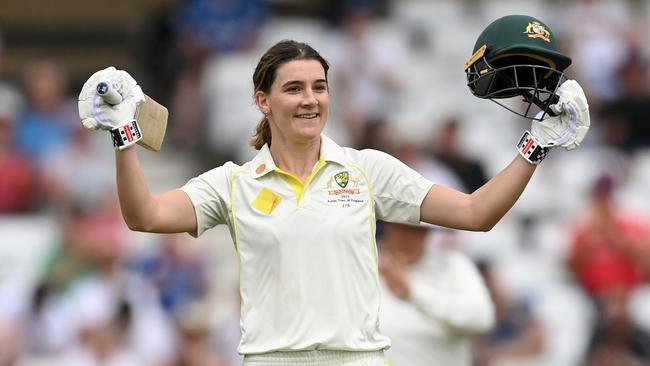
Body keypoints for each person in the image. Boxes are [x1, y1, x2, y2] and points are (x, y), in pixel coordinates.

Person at [77, 29, 589, 366]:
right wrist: (124, 137)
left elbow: (476, 214)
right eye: (294, 88)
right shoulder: (232, 183)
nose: (310, 100)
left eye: (319, 87)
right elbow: (144, 216)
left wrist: (535, 145)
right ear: (263, 100)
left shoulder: (367, 169)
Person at [379, 226, 494, 366]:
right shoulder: (362, 267)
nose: (410, 236)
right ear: (386, 227)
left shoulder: (454, 265)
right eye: (402, 228)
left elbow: (481, 319)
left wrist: (414, 293)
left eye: (418, 229)